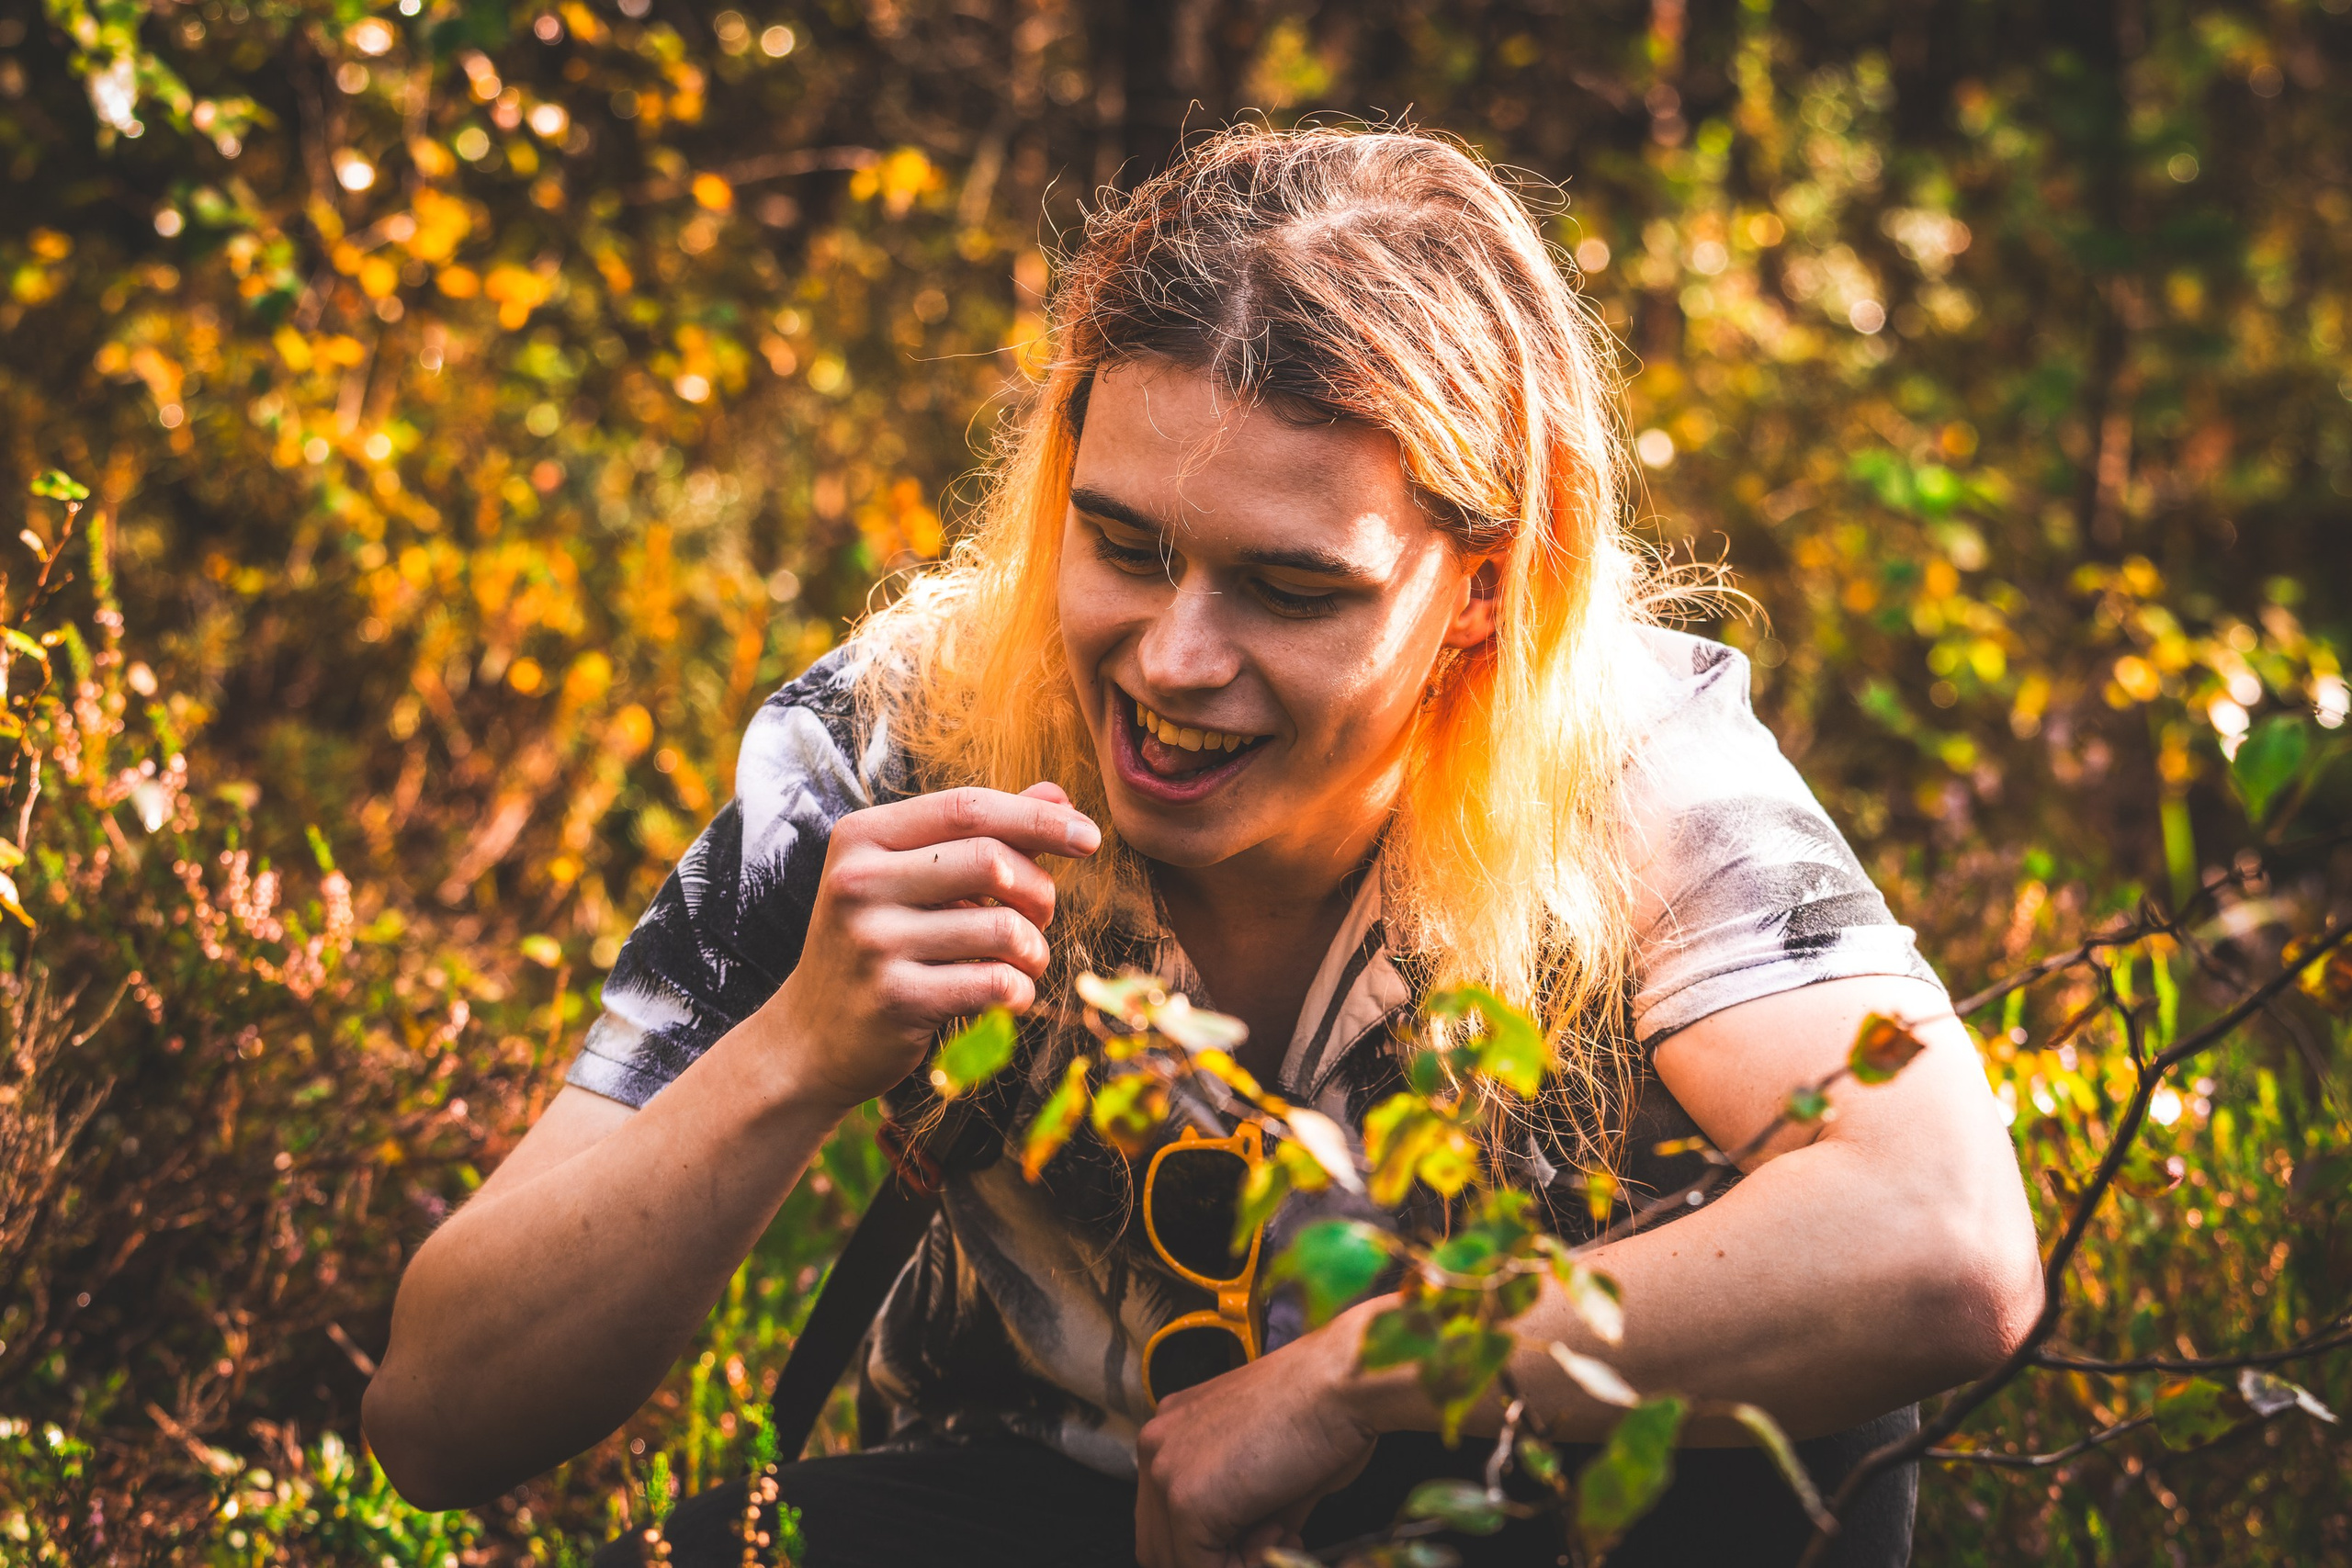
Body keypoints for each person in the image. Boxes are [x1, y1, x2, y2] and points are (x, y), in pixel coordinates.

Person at [362, 125, 2041, 1568]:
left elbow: (1944, 1242)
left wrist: (1352, 1378)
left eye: (1292, 588)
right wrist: (793, 1052)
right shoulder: (894, 741)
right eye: (1124, 544)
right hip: (1037, 1499)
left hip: (1532, 1512)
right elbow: (437, 1419)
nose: (1173, 658)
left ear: (1483, 592)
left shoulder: (1628, 754)